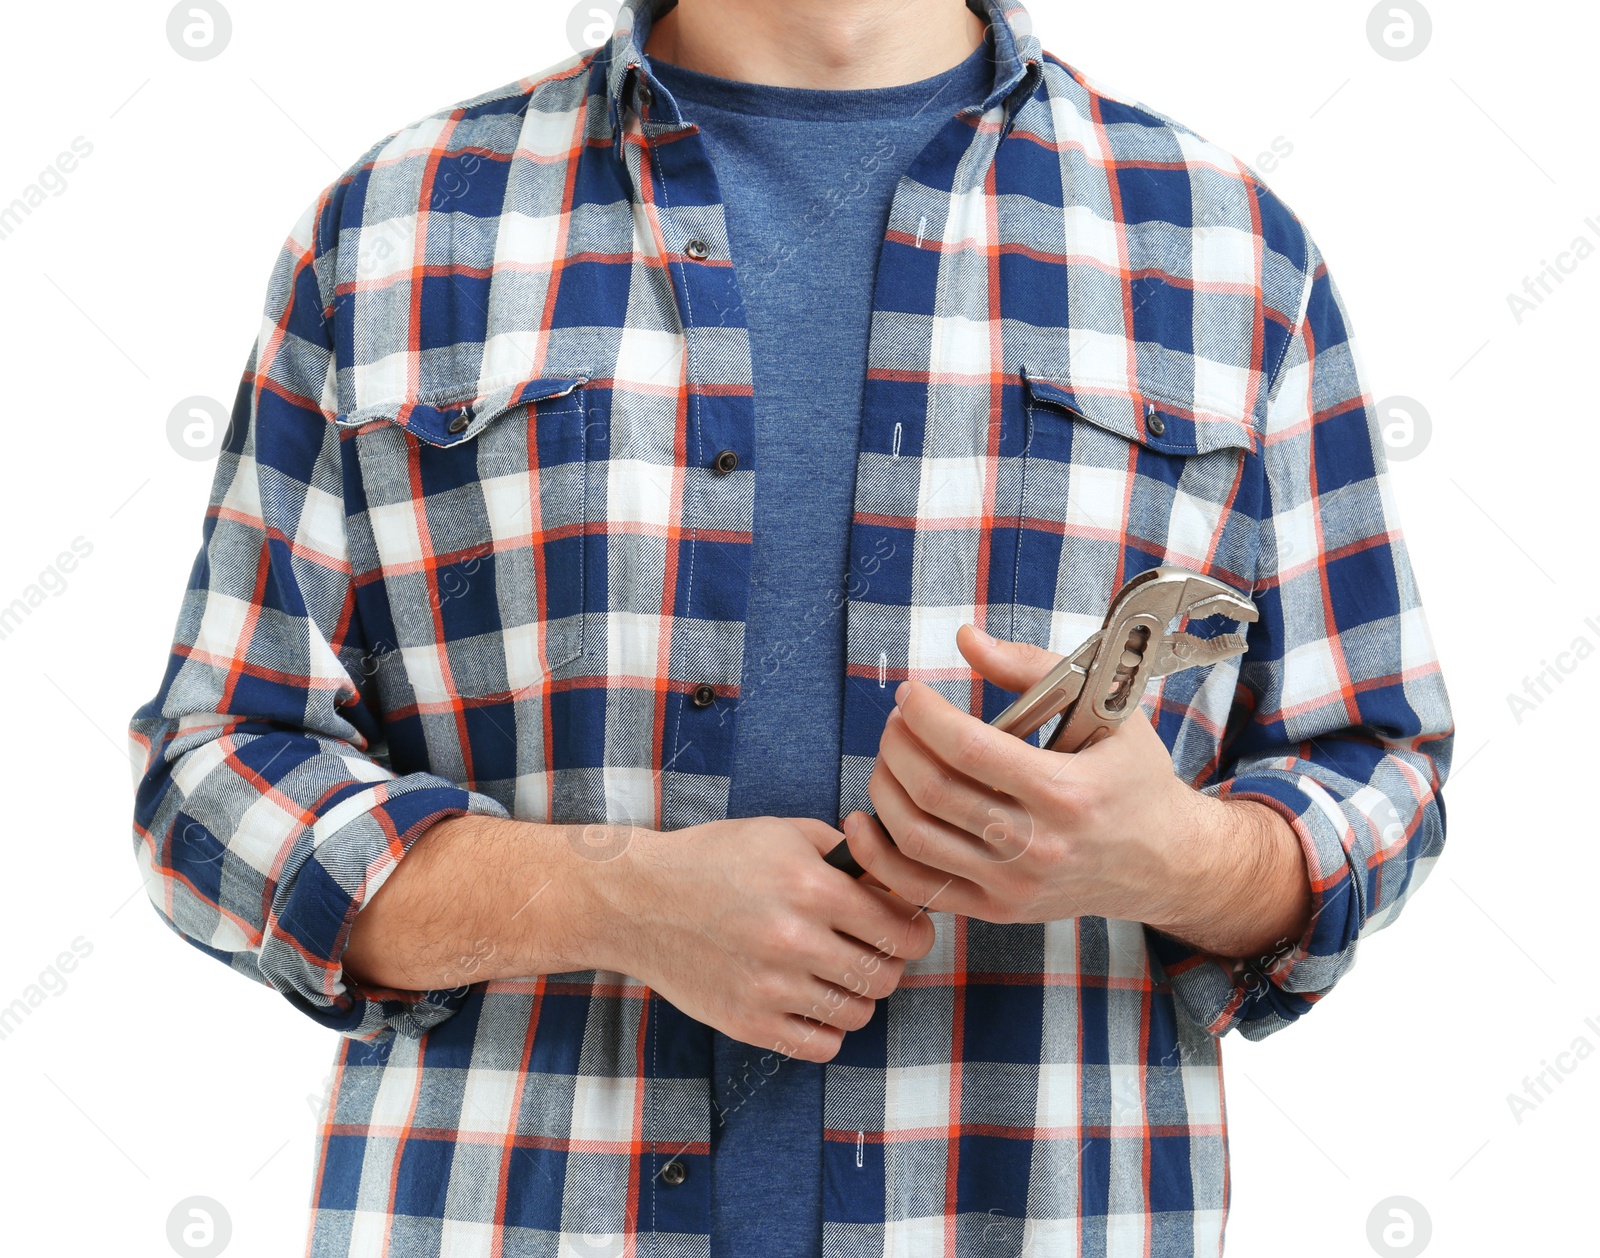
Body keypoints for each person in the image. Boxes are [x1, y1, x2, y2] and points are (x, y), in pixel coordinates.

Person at [126, 0, 1455, 1253]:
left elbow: (1378, 766)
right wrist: (610, 897)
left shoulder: (1228, 253)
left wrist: (1172, 857)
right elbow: (210, 780)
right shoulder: (396, 234)